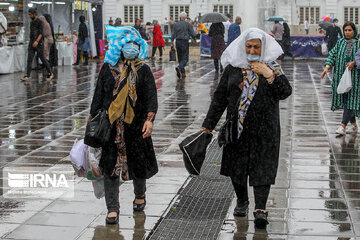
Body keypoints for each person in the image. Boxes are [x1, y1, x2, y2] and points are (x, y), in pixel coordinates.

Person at [201, 28, 292, 229]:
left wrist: (268, 75)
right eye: (249, 46)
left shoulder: (273, 68)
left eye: (256, 46)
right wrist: (208, 125)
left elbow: (285, 92)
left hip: (265, 130)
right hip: (238, 129)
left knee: (262, 168)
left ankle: (260, 208)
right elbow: (219, 99)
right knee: (237, 168)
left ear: (263, 48)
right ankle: (242, 201)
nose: (252, 49)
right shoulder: (233, 69)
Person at [90, 26, 158, 224]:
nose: (131, 48)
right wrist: (92, 120)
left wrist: (149, 120)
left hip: (136, 127)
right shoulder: (108, 69)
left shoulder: (142, 70)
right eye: (127, 44)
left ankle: (140, 195)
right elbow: (98, 96)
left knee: (138, 164)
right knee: (110, 167)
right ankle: (113, 208)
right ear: (118, 47)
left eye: (135, 44)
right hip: (111, 127)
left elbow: (151, 97)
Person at [321, 21, 360, 135]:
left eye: (350, 30)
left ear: (354, 31)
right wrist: (327, 67)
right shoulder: (341, 43)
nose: (347, 33)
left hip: (354, 79)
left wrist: (354, 63)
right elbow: (332, 54)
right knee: (345, 101)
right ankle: (353, 124)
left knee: (350, 100)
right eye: (346, 30)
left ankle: (342, 126)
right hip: (340, 77)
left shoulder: (358, 44)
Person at [21, 8, 53, 81]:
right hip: (32, 43)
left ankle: (50, 72)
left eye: (30, 14)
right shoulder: (31, 22)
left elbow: (41, 33)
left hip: (39, 44)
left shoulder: (40, 22)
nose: (29, 16)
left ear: (34, 14)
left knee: (42, 58)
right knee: (29, 59)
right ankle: (27, 75)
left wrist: (37, 41)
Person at [171, 12, 196, 79]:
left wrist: (172, 43)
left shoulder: (176, 24)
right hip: (184, 41)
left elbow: (173, 34)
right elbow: (192, 33)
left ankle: (182, 72)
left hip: (178, 42)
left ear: (180, 17)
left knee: (180, 57)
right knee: (185, 58)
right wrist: (195, 39)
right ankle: (180, 67)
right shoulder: (188, 24)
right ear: (185, 17)